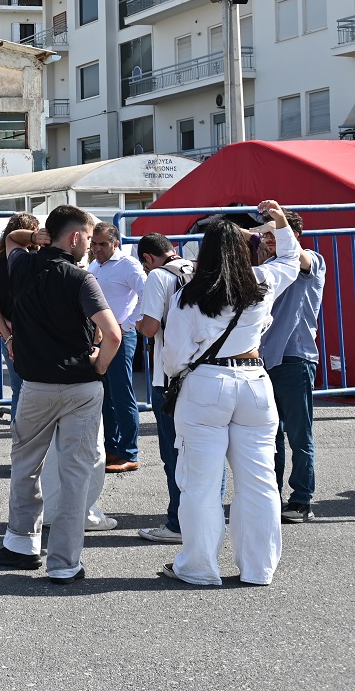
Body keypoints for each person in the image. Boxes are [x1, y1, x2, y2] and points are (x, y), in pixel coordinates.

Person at [159, 200, 299, 588]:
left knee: (200, 484)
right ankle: (259, 568)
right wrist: (280, 222)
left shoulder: (189, 295)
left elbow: (173, 358)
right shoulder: (262, 283)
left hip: (206, 384)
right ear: (242, 249)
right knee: (259, 481)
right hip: (255, 381)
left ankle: (199, 567)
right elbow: (290, 259)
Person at [0, 205, 119, 585]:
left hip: (36, 386)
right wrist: (99, 365)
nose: (89, 245)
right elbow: (113, 334)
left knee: (26, 467)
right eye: (87, 237)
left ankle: (21, 546)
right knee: (75, 475)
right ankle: (64, 563)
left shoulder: (22, 265)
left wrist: (33, 237)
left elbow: (11, 239)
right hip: (81, 388)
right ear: (74, 237)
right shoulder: (82, 279)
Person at [257, 208, 326, 524]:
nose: (269, 239)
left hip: (295, 358)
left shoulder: (310, 259)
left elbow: (299, 257)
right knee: (270, 435)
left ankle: (301, 500)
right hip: (265, 359)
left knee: (299, 435)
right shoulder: (269, 266)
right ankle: (271, 495)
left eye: (275, 233)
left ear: (293, 234)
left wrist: (279, 219)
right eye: (266, 234)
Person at [134, 232, 197, 544]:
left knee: (173, 454)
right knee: (205, 455)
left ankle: (177, 524)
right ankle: (205, 521)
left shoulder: (158, 276)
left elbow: (150, 327)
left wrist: (135, 324)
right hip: (203, 373)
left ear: (148, 259)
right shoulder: (198, 268)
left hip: (169, 377)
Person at [88, 222, 147, 473]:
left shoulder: (128, 264)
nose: (97, 248)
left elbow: (146, 295)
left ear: (115, 243)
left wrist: (126, 325)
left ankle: (129, 453)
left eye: (102, 244)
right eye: (94, 243)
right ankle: (112, 448)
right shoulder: (95, 265)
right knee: (105, 396)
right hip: (101, 337)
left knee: (122, 395)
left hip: (120, 337)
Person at [0, 213, 40, 422]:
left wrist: (8, 337)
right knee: (42, 388)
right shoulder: (37, 260)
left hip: (9, 333)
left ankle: (19, 436)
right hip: (37, 332)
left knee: (19, 390)